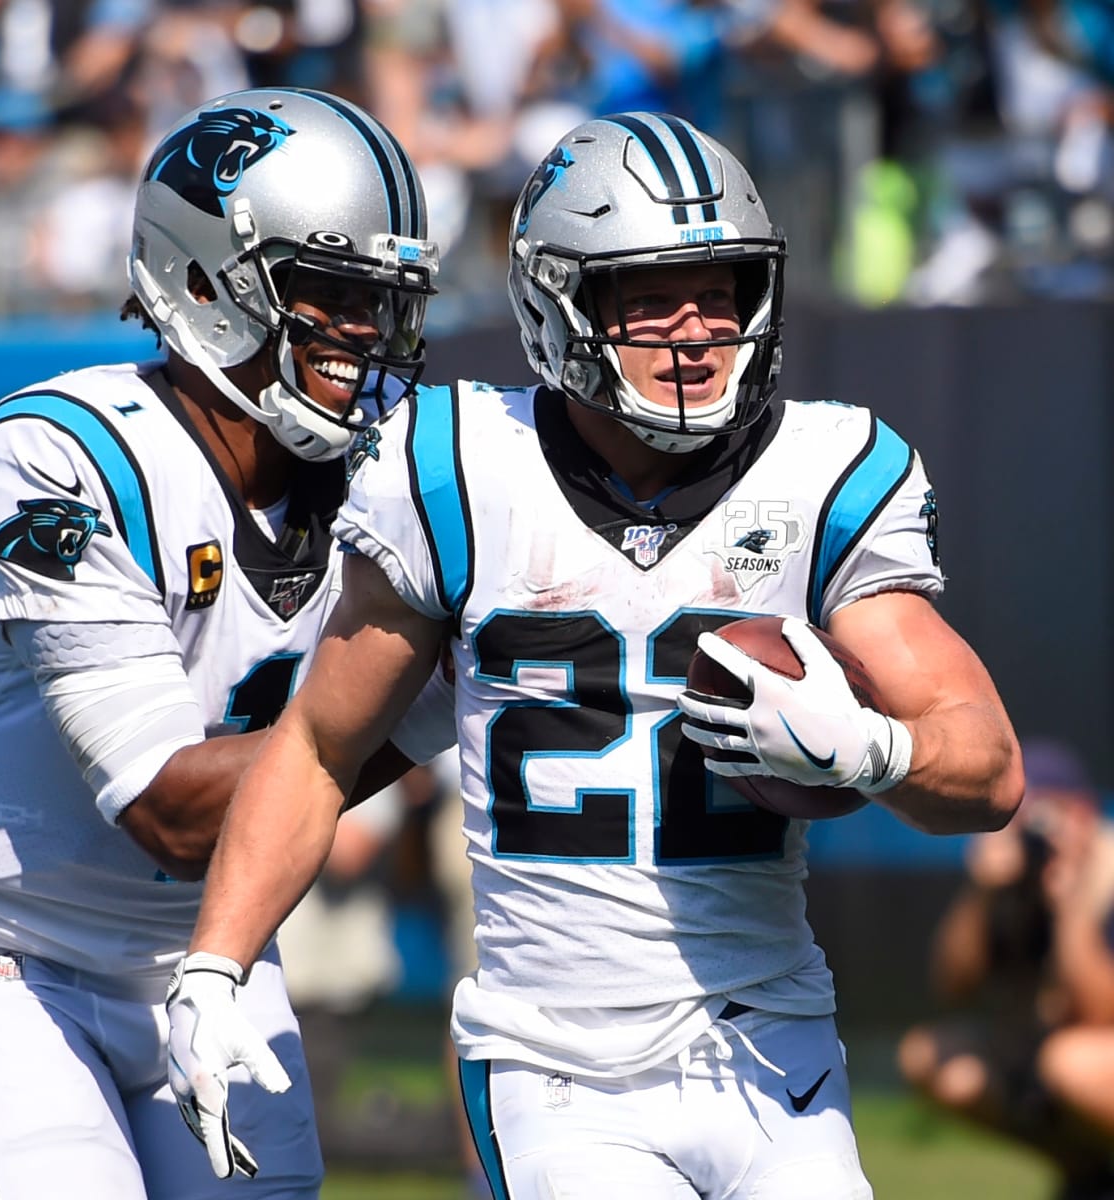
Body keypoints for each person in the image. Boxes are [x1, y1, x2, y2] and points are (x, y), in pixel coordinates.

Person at [166, 110, 1024, 1198]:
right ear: (558, 300)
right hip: (554, 1062)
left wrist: (872, 752)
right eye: (650, 294)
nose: (696, 327)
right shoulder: (464, 465)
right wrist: (215, 966)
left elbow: (988, 771)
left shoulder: (823, 469)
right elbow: (321, 752)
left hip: (772, 1043)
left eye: (720, 289)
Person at [0, 85, 447, 1199]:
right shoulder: (62, 460)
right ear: (207, 281)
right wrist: (439, 697)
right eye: (330, 295)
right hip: (12, 956)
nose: (365, 335)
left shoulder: (390, 478)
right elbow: (172, 810)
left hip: (216, 950)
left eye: (381, 300)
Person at [898, 737, 1114, 1200]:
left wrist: (1071, 905)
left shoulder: (1105, 873)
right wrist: (981, 894)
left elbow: (1100, 1015)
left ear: (1081, 813)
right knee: (939, 1063)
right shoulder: (1011, 878)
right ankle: (1089, 1174)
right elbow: (952, 986)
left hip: (1091, 1052)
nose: (1028, 830)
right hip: (1054, 1050)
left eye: (1040, 811)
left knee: (1069, 1063)